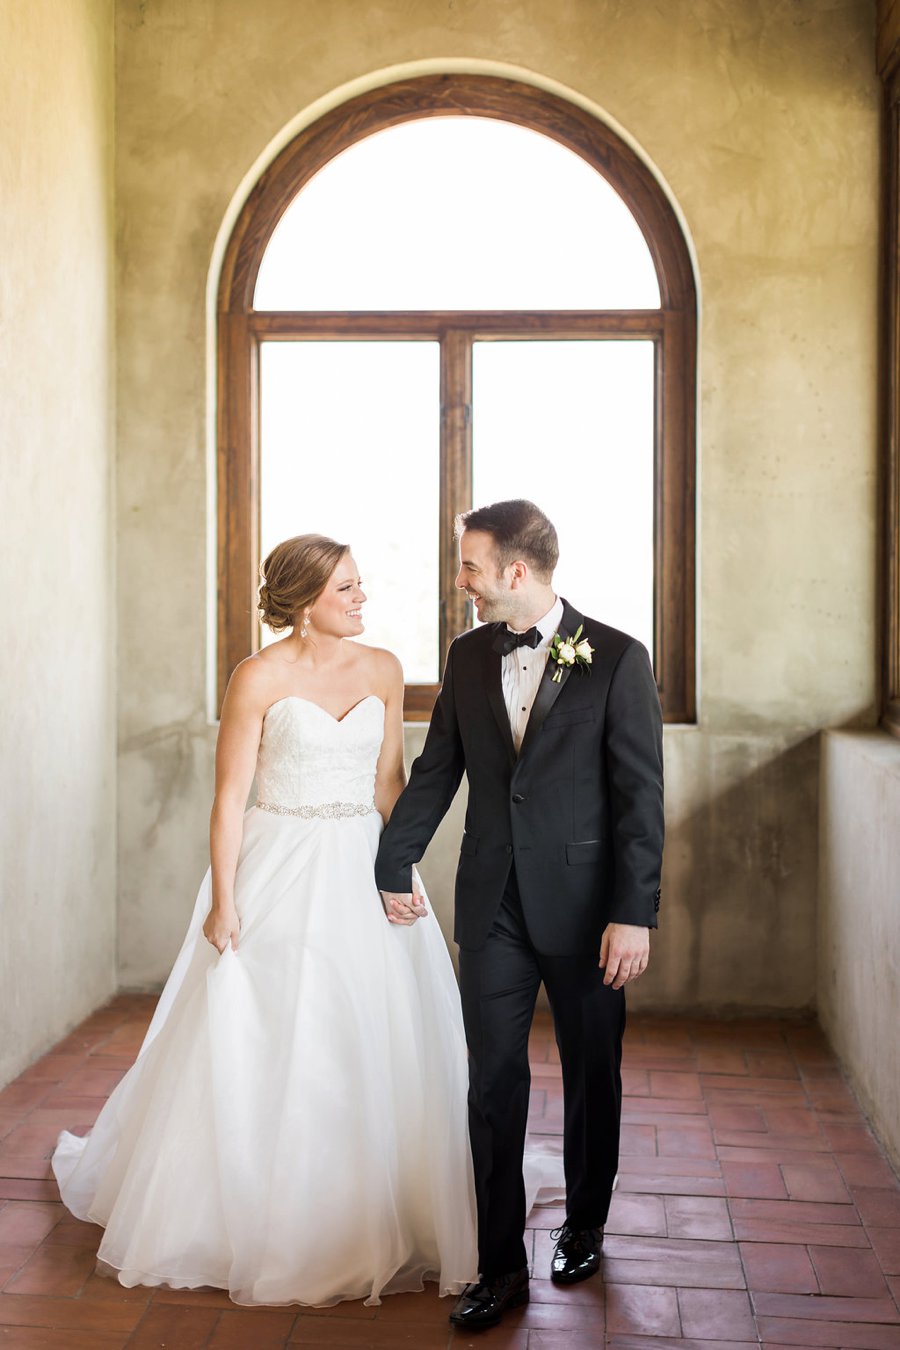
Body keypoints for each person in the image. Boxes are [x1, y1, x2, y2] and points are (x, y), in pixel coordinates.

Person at [52, 534, 477, 1307]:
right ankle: (265, 1209)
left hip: (366, 860)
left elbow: (390, 784)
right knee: (275, 1028)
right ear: (305, 599)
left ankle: (373, 1202)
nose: (361, 598)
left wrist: (403, 874)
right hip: (279, 862)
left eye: (359, 586)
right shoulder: (256, 676)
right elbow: (229, 799)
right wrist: (223, 901)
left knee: (375, 1027)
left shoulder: (382, 669)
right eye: (345, 588)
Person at [376, 499, 664, 1331]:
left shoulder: (617, 657)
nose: (459, 582)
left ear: (515, 571)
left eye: (469, 567)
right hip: (491, 902)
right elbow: (437, 772)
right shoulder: (467, 657)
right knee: (492, 1079)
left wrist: (632, 913)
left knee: (591, 1072)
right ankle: (499, 1265)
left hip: (587, 911)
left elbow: (639, 798)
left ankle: (584, 1224)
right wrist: (390, 862)